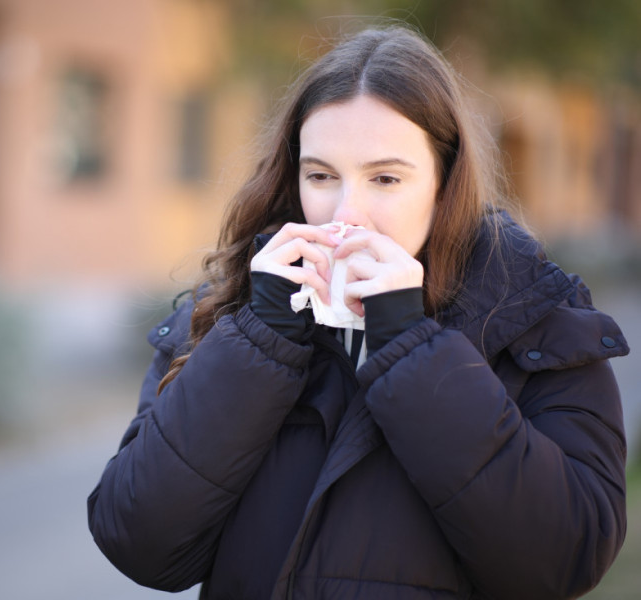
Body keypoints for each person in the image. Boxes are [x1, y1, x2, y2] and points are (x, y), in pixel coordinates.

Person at [87, 25, 630, 600]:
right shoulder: (229, 316)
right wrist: (261, 340)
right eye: (321, 176)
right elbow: (138, 544)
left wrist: (408, 347)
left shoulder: (535, 321)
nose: (347, 214)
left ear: (445, 185)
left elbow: (566, 560)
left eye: (386, 178)